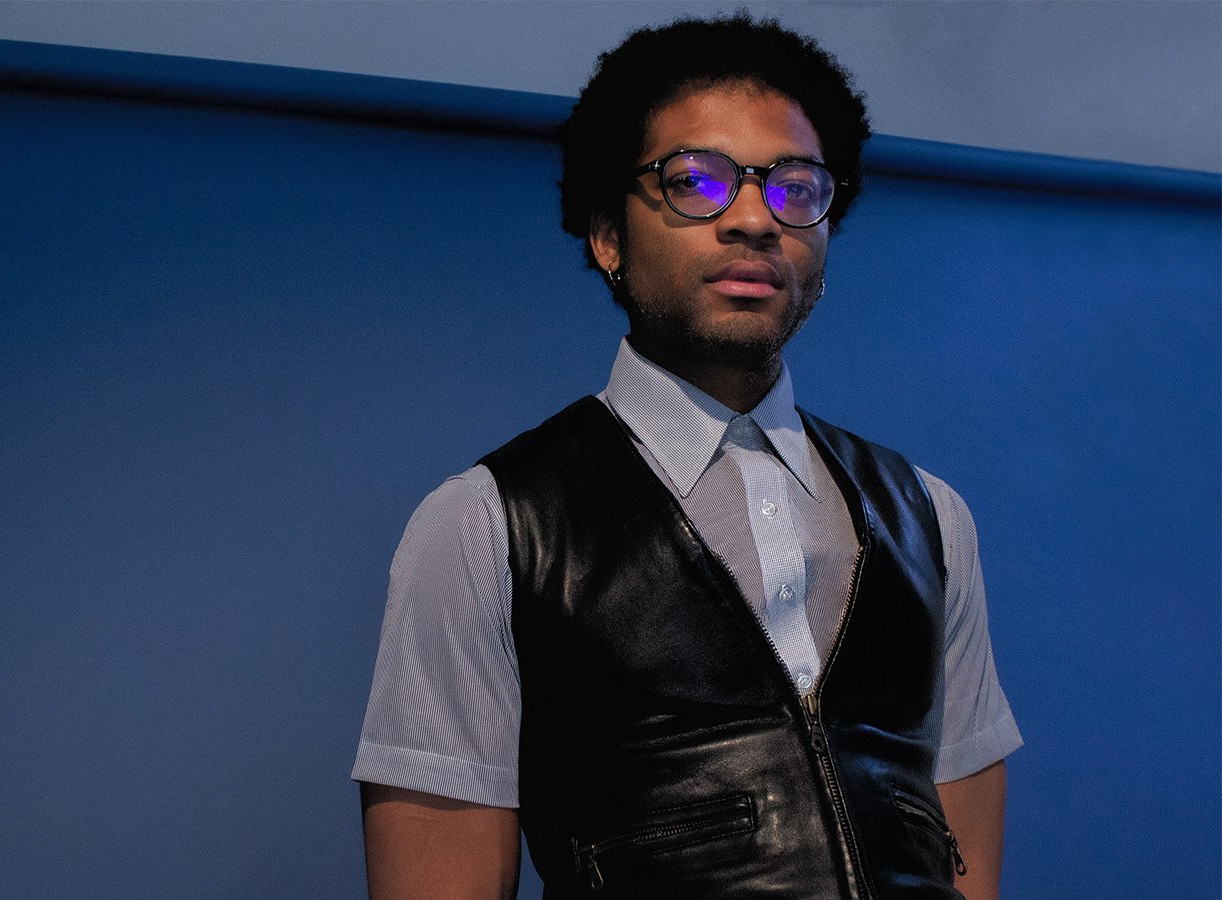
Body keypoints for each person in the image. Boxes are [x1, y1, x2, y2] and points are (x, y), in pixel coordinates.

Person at [352, 13, 1021, 899]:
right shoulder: (486, 527)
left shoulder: (928, 516)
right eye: (695, 182)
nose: (753, 218)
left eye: (795, 188)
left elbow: (959, 859)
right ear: (606, 235)